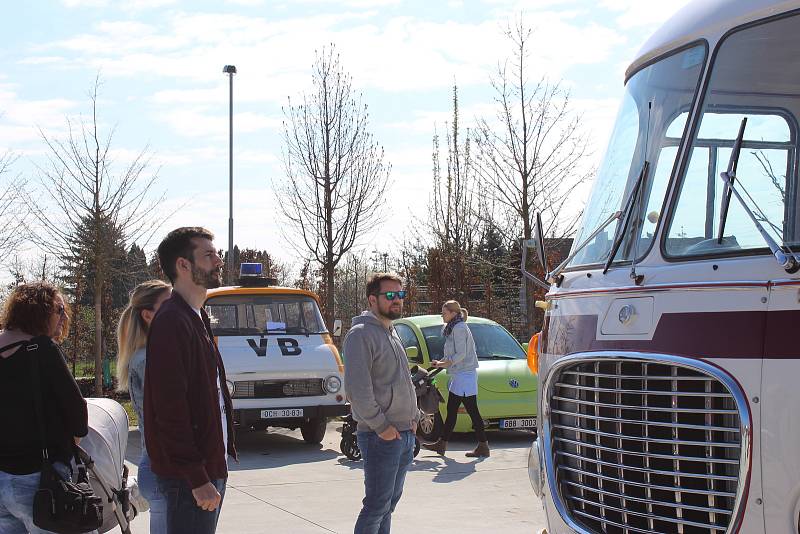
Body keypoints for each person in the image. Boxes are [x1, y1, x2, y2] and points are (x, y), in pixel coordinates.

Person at [143, 227, 237, 534]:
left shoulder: (195, 315)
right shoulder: (172, 321)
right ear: (183, 265)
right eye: (209, 255)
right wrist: (197, 478)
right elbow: (170, 410)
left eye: (217, 254)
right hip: (189, 479)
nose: (219, 261)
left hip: (206, 468)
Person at [0, 282, 89, 533]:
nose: (65, 316)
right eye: (59, 309)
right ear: (37, 311)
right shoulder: (42, 349)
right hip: (41, 481)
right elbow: (77, 413)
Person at [344, 272, 419, 534]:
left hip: (404, 433)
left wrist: (414, 418)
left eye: (400, 295)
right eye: (390, 295)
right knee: (376, 506)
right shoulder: (360, 335)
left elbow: (401, 381)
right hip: (380, 437)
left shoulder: (392, 331)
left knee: (388, 507)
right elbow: (357, 390)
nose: (397, 300)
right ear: (372, 300)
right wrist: (382, 427)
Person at [116, 279, 172, 534]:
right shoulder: (149, 359)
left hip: (158, 466)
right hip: (164, 469)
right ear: (148, 315)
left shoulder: (149, 354)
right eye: (169, 304)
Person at [422, 300, 489, 458]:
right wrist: (441, 363)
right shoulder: (454, 327)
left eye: (444, 313)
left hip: (464, 375)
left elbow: (461, 354)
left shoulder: (459, 328)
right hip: (461, 374)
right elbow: (453, 353)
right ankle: (443, 443)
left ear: (453, 313)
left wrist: (442, 363)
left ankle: (482, 445)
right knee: (453, 411)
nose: (442, 315)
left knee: (471, 411)